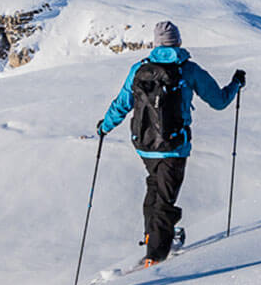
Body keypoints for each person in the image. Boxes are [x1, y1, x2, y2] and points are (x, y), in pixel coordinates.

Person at [98, 21, 243, 266]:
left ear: (155, 44)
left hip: (144, 145)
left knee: (154, 187)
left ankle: (152, 235)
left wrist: (104, 127)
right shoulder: (189, 70)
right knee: (165, 200)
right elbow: (218, 101)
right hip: (174, 147)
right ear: (178, 42)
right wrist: (236, 84)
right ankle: (156, 256)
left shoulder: (139, 69)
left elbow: (123, 103)